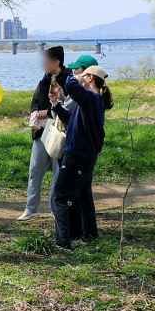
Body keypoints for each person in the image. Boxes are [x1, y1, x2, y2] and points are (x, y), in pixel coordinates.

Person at [50, 65, 114, 250]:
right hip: (85, 155)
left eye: (83, 75)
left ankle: (63, 241)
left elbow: (70, 85)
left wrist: (73, 76)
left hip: (76, 155)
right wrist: (56, 105)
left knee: (60, 197)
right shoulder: (92, 100)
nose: (79, 76)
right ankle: (88, 234)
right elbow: (72, 121)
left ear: (90, 79)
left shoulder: (91, 98)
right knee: (83, 196)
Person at [19, 46, 69, 220]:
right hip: (41, 132)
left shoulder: (68, 80)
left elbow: (68, 107)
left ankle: (55, 209)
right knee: (35, 170)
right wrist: (35, 114)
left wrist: (47, 113)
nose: (43, 64)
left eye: (46, 61)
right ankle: (30, 209)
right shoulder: (44, 80)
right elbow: (35, 101)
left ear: (56, 62)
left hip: (60, 132)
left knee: (58, 173)